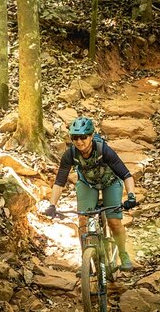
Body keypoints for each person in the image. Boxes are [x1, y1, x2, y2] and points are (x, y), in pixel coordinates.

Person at [43, 116, 138, 272]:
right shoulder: (70, 154)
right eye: (75, 138)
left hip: (110, 183)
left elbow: (126, 175)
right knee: (83, 221)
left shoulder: (104, 150)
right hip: (88, 184)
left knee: (114, 221)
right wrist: (52, 205)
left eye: (83, 137)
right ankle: (87, 259)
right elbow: (60, 182)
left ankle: (123, 253)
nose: (79, 141)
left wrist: (131, 196)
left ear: (91, 136)